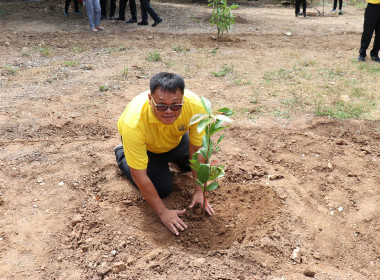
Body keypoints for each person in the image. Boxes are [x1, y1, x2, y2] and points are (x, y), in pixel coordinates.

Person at [114, 72, 214, 235]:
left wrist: (199, 190)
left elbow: (196, 150)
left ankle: (170, 157)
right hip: (148, 148)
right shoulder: (133, 123)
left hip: (175, 139)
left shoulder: (195, 107)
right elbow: (139, 175)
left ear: (183, 100)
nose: (168, 111)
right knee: (162, 189)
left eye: (175, 105)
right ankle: (122, 153)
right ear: (149, 99)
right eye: (161, 105)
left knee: (192, 166)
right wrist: (163, 212)